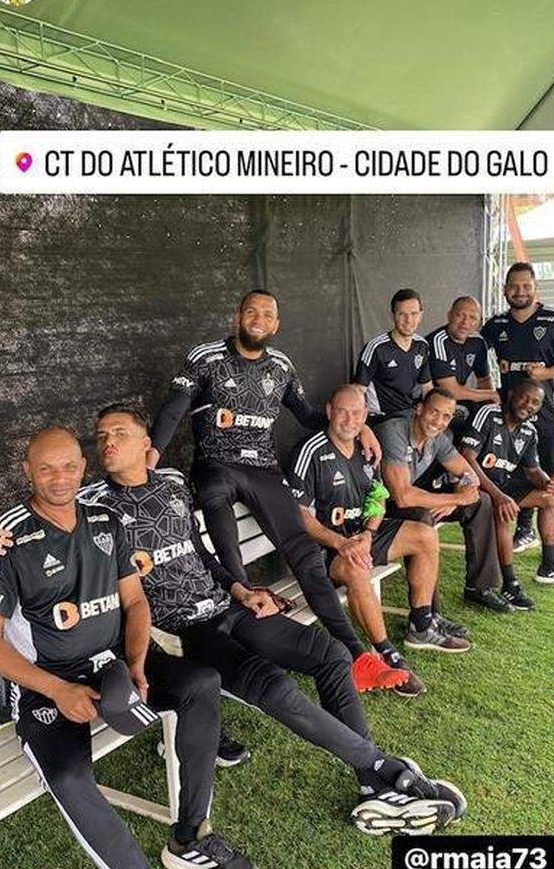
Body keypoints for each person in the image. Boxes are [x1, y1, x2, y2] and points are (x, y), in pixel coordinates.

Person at [0, 408, 467, 837]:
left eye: (119, 433)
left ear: (146, 444)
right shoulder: (90, 505)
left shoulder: (170, 483)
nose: (108, 443)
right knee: (273, 686)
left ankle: (370, 780)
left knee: (331, 653)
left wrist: (240, 589)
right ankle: (382, 770)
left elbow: (199, 551)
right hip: (181, 629)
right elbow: (27, 531)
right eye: (101, 437)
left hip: (224, 606)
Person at [0, 428, 220, 869]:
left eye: (69, 467)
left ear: (83, 466)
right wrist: (59, 690)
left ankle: (190, 834)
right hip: (46, 687)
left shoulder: (106, 519)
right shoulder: (4, 539)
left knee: (201, 684)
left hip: (114, 667)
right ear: (27, 471)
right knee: (71, 780)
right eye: (46, 469)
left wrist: (136, 664)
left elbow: (134, 602)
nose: (59, 479)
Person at [147, 289, 402, 693]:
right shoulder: (206, 357)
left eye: (268, 314)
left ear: (276, 324)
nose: (259, 319)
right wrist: (150, 462)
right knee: (214, 497)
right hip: (217, 464)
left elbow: (307, 416)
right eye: (252, 311)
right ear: (238, 317)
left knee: (305, 552)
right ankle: (242, 600)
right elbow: (173, 411)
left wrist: (360, 427)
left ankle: (358, 657)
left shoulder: (281, 366)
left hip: (263, 470)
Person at [288, 384, 470, 672]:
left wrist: (369, 533)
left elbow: (378, 497)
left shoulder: (367, 448)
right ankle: (386, 654)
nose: (349, 420)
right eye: (342, 412)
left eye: (356, 413)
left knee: (424, 535)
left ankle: (421, 625)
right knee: (357, 568)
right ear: (329, 412)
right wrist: (342, 543)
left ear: (365, 416)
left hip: (361, 536)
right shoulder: (310, 450)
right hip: (327, 549)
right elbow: (299, 515)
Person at [481, 262, 554, 560]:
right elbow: (475, 353)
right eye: (514, 286)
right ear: (504, 290)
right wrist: (488, 389)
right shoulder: (496, 325)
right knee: (519, 471)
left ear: (535, 288)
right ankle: (525, 530)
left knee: (552, 477)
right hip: (513, 417)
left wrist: (548, 372)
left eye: (526, 286)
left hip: (551, 414)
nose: (520, 291)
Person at [377, 387, 514, 615]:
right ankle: (429, 613)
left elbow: (469, 475)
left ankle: (479, 587)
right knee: (421, 517)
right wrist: (455, 497)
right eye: (434, 412)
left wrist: (456, 501)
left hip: (414, 496)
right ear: (419, 409)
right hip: (382, 506)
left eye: (446, 416)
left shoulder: (438, 438)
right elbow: (402, 497)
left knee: (481, 501)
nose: (438, 421)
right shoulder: (394, 431)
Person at [460, 380, 554, 604]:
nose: (528, 405)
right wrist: (499, 496)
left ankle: (549, 565)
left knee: (549, 498)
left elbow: (533, 471)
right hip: (476, 485)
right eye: (524, 398)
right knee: (503, 510)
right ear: (511, 395)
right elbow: (467, 457)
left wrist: (548, 483)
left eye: (535, 402)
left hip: (502, 484)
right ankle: (510, 583)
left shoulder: (529, 431)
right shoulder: (489, 414)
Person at [425, 295, 499, 443]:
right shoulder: (438, 341)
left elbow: (484, 379)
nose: (465, 322)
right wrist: (492, 394)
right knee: (462, 424)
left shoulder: (478, 341)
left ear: (479, 322)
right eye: (460, 315)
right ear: (449, 316)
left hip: (455, 402)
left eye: (473, 318)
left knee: (490, 424)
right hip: (431, 403)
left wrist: (491, 406)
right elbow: (452, 390)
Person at [353, 288, 432, 422]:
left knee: (446, 431)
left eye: (414, 314)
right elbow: (358, 391)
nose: (408, 320)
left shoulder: (422, 345)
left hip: (411, 414)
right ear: (393, 315)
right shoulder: (376, 348)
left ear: (421, 315)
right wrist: (362, 426)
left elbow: (427, 388)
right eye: (402, 314)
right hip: (383, 418)